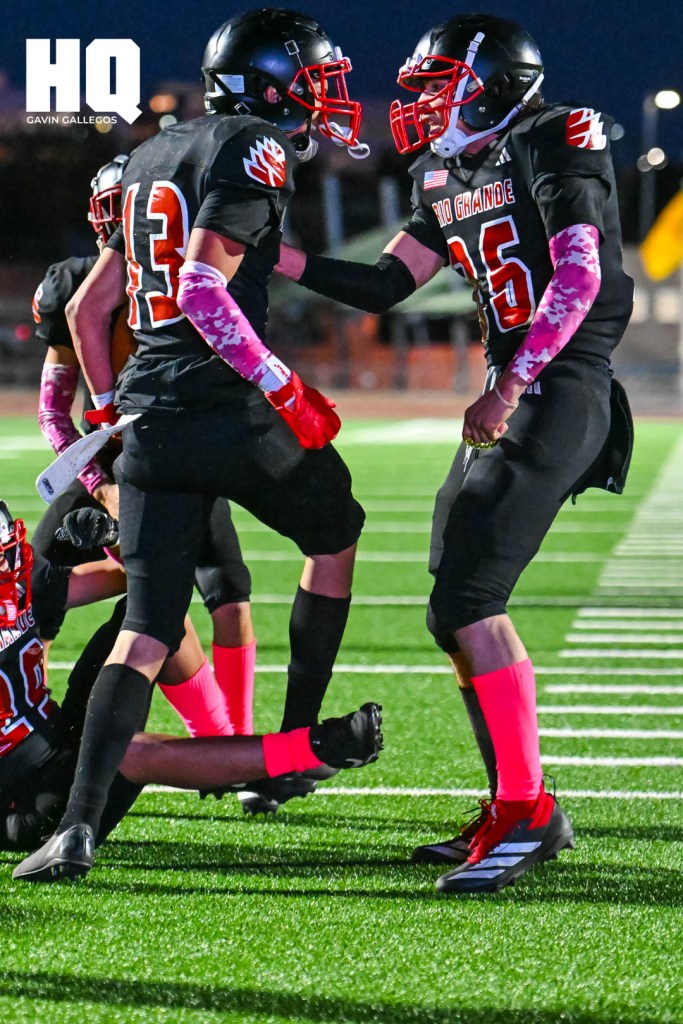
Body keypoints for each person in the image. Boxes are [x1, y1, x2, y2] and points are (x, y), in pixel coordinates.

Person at [275, 13, 634, 894]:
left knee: (471, 596)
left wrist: (510, 384)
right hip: (518, 392)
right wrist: (275, 259)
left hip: (559, 388)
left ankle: (526, 810)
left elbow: (580, 277)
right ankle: (517, 802)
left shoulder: (555, 136)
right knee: (450, 603)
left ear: (496, 83)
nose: (427, 103)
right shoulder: (446, 171)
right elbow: (385, 282)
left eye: (444, 84)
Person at [14, 7, 369, 883]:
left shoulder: (145, 155)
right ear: (270, 78)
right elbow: (205, 289)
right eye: (313, 74)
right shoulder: (254, 146)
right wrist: (284, 386)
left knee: (144, 628)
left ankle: (80, 829)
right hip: (225, 404)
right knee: (336, 531)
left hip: (149, 425)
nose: (324, 92)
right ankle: (289, 749)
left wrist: (107, 412)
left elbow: (93, 309)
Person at [1, 501, 383, 880]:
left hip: (57, 733)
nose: (8, 567)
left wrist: (111, 539)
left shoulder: (22, 585)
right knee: (121, 752)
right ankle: (306, 751)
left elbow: (136, 576)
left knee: (152, 613)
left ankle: (226, 744)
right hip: (25, 802)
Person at [31, 155, 260, 755]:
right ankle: (30, 727)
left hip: (175, 453)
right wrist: (97, 480)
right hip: (104, 460)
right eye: (110, 213)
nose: (119, 229)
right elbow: (53, 412)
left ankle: (228, 741)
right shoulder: (72, 285)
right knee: (32, 588)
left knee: (226, 590)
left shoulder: (189, 279)